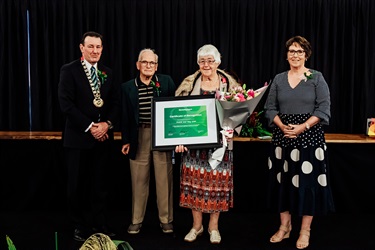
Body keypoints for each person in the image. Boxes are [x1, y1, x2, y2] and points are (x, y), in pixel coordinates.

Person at [264, 35, 335, 249]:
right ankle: (285, 227)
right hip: (282, 137)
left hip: (309, 137)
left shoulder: (316, 78)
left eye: (300, 51)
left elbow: (323, 109)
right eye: (292, 51)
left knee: (308, 184)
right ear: (287, 55)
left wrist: (302, 126)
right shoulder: (278, 79)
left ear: (306, 55)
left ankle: (305, 230)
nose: (295, 55)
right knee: (282, 182)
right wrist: (282, 125)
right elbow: (270, 108)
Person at [175, 44, 240, 244]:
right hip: (194, 147)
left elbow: (240, 111)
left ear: (218, 62)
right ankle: (196, 226)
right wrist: (179, 138)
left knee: (217, 186)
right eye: (202, 60)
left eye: (210, 60)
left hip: (220, 146)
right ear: (198, 63)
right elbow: (178, 113)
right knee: (193, 185)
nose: (206, 64)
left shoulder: (229, 84)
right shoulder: (189, 83)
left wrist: (233, 128)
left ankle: (213, 227)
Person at [58, 31, 120, 242]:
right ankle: (79, 225)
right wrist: (90, 126)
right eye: (91, 46)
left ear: (102, 49)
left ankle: (99, 223)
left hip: (103, 139)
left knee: (100, 185)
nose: (95, 51)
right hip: (78, 139)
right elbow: (66, 104)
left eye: (98, 47)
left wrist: (106, 125)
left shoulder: (107, 72)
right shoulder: (69, 70)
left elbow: (115, 104)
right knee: (77, 185)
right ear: (82, 48)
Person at [120, 48, 176, 234]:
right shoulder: (127, 87)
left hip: (162, 135)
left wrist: (174, 137)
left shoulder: (166, 82)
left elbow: (173, 111)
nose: (149, 66)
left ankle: (166, 219)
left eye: (152, 63)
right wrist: (126, 140)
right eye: (145, 62)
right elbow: (125, 116)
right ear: (138, 65)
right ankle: (136, 220)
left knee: (164, 178)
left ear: (156, 66)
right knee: (138, 179)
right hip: (139, 135)